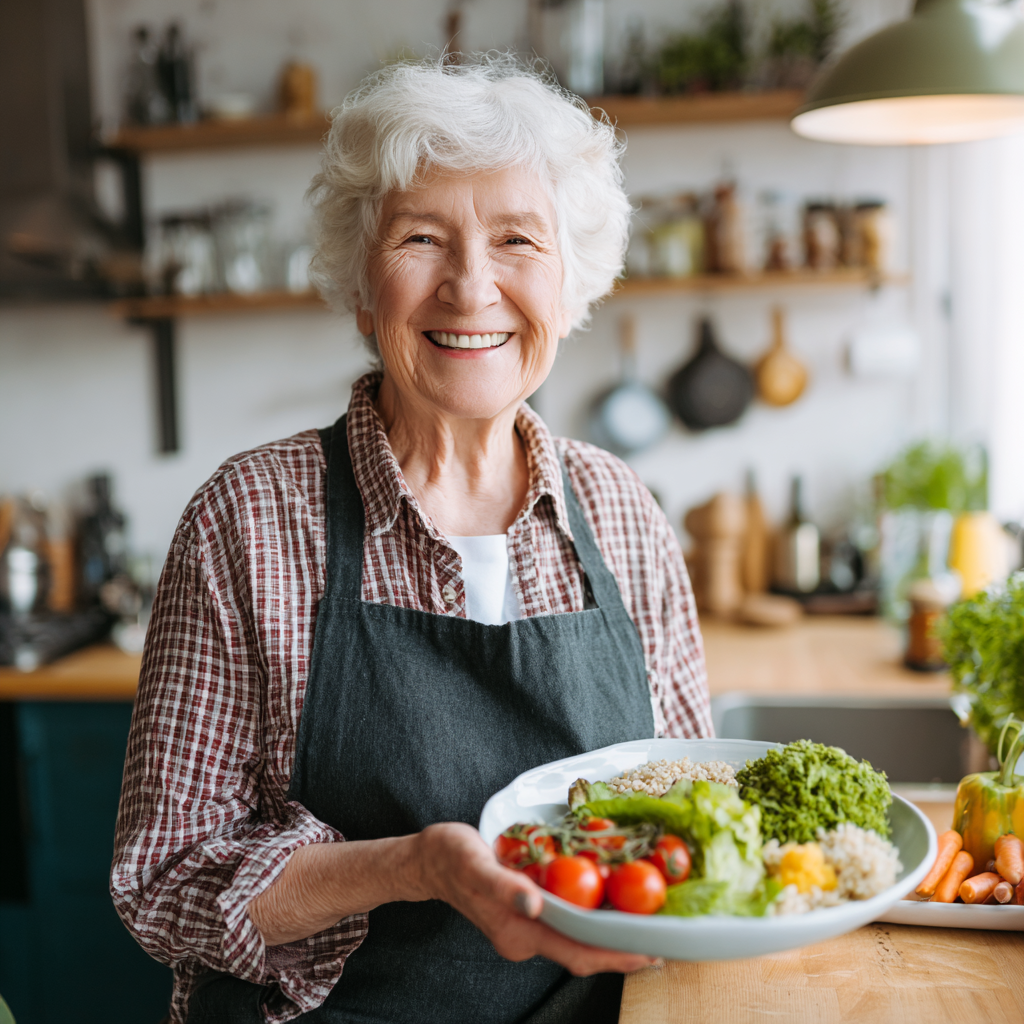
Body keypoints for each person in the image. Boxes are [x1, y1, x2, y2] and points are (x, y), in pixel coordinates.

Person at [112, 55, 712, 1024]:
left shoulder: (621, 510)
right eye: (422, 238)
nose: (471, 287)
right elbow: (165, 883)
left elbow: (688, 810)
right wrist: (412, 866)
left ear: (572, 284)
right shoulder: (251, 515)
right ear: (362, 284)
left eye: (517, 239)